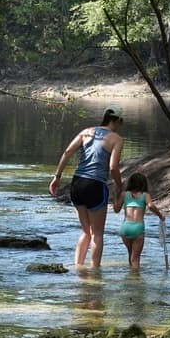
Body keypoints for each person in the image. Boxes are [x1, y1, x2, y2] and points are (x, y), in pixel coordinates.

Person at [49, 108, 125, 268]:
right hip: (95, 185)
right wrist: (119, 185)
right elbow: (113, 167)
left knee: (85, 231)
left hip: (77, 184)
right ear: (116, 120)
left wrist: (57, 177)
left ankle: (78, 268)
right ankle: (94, 273)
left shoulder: (86, 132)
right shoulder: (116, 139)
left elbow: (67, 152)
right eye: (121, 122)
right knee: (97, 234)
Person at [119, 172, 166, 270]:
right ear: (143, 184)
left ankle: (130, 276)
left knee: (131, 255)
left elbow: (116, 209)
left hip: (125, 227)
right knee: (135, 258)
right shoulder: (145, 195)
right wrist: (160, 215)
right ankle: (136, 278)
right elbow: (150, 206)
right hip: (138, 228)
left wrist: (116, 196)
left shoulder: (124, 194)